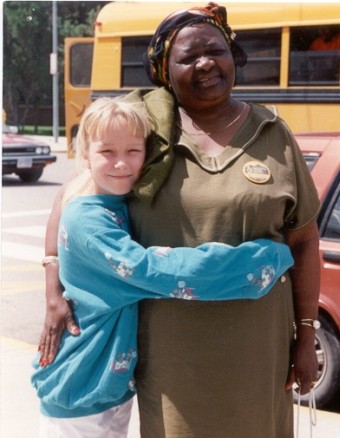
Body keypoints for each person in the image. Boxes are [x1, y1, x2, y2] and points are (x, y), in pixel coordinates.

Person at [39, 3, 321, 437]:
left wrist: (306, 333)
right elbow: (75, 189)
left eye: (216, 50)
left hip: (259, 350)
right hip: (170, 357)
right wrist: (52, 279)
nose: (206, 63)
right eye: (188, 57)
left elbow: (303, 239)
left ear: (232, 55)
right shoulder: (145, 126)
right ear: (164, 70)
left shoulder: (273, 132)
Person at [32, 96, 293, 438]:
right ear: (84, 156)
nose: (121, 164)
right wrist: (267, 258)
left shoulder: (108, 200)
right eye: (107, 152)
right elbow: (161, 271)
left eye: (133, 151)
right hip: (78, 387)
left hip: (104, 388)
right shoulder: (88, 220)